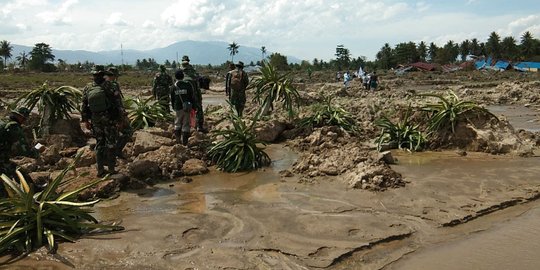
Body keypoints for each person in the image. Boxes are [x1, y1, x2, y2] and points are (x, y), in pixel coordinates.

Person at [81, 65, 122, 177]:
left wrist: (86, 121)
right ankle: (112, 168)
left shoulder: (88, 87)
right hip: (109, 118)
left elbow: (84, 105)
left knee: (99, 143)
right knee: (111, 143)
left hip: (95, 119)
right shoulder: (110, 86)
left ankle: (100, 170)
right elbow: (118, 104)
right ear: (103, 74)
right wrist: (120, 119)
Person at [106, 66, 132, 159]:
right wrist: (122, 115)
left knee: (111, 135)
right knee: (128, 131)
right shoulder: (113, 85)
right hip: (115, 114)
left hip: (104, 115)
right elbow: (117, 102)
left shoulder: (101, 84)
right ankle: (117, 151)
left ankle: (109, 155)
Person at [180, 55, 207, 132]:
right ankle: (199, 126)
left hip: (182, 95)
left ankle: (183, 126)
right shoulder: (193, 70)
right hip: (194, 93)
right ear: (188, 61)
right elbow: (198, 81)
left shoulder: (179, 71)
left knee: (182, 109)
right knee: (198, 109)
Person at [170, 70, 195, 145]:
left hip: (178, 108)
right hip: (187, 107)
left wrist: (174, 107)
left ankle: (178, 141)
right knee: (186, 125)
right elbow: (192, 96)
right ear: (183, 76)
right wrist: (192, 105)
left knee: (177, 123)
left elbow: (172, 98)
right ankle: (185, 142)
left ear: (175, 77)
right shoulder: (188, 85)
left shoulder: (173, 86)